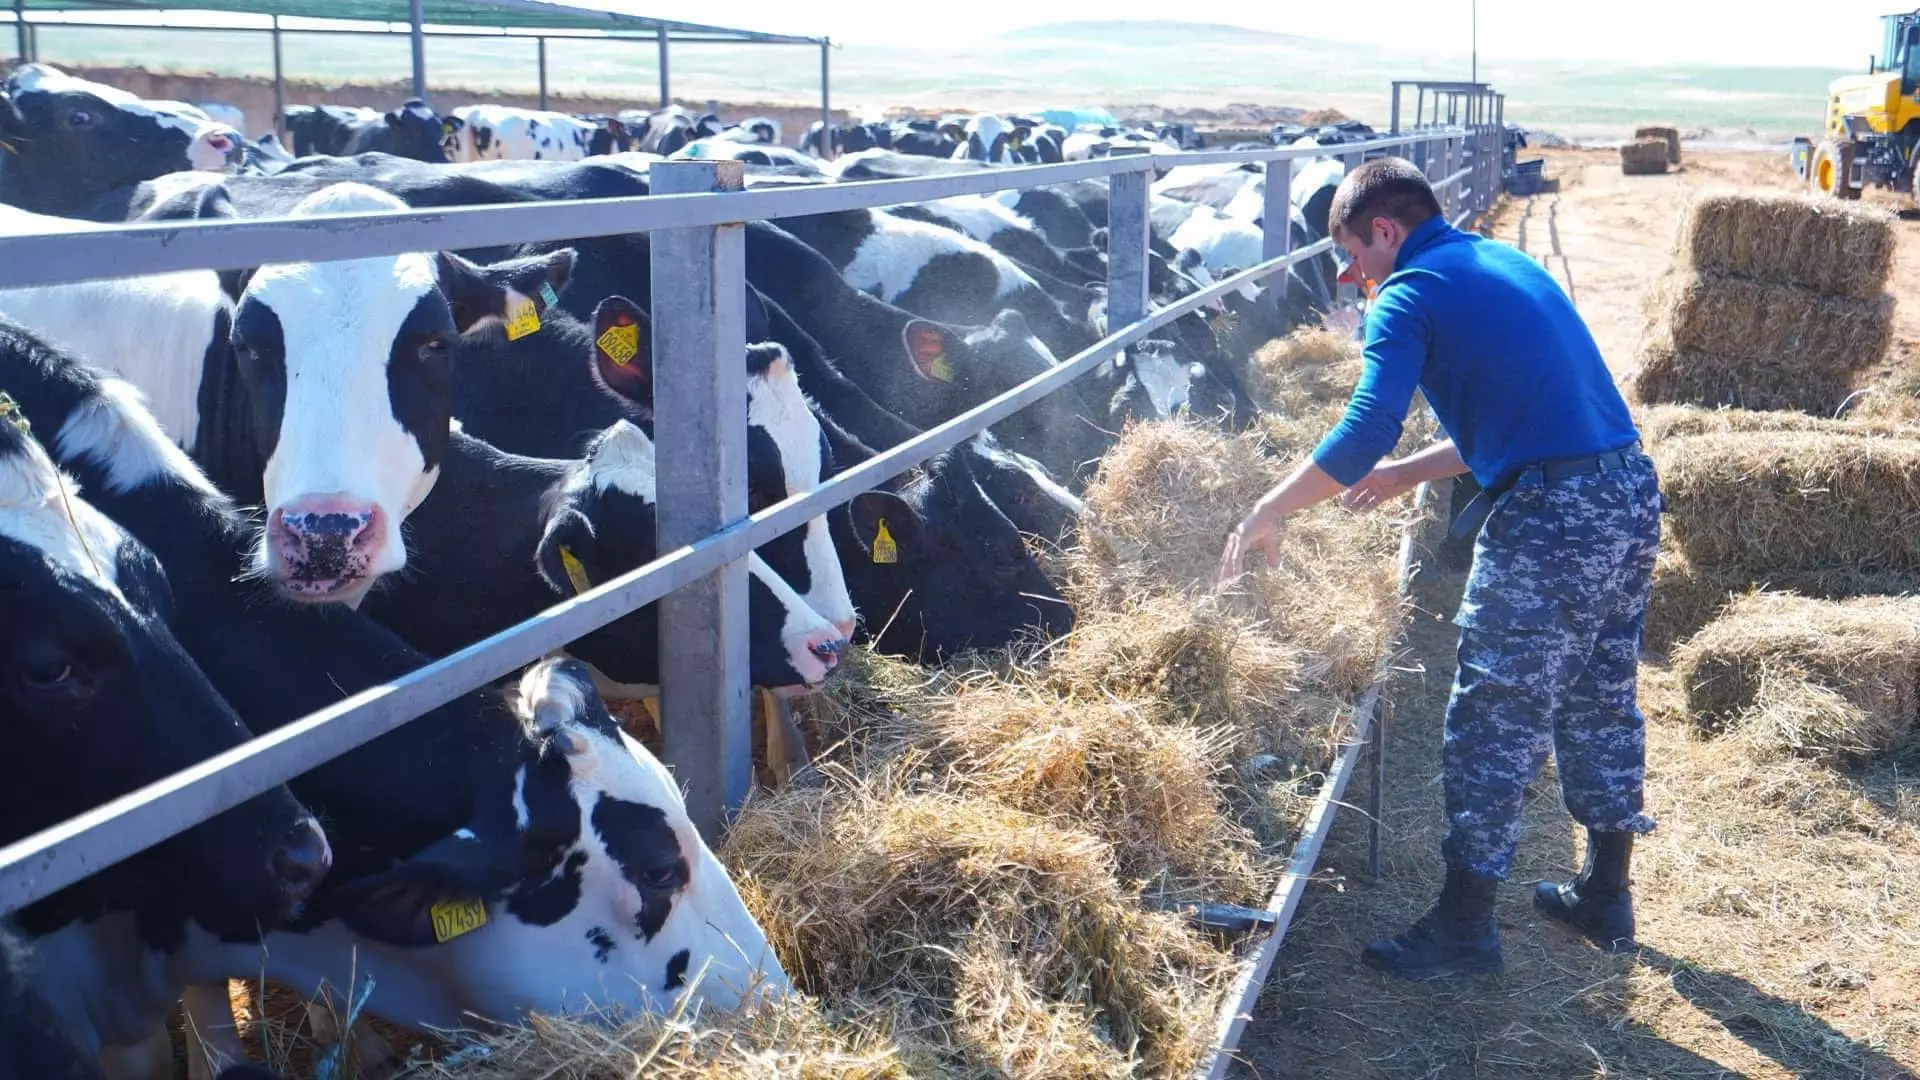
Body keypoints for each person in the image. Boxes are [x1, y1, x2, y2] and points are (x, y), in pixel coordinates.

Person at [1215, 157, 1663, 980]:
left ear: (1385, 230)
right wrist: (1404, 476)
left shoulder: (1410, 293)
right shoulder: (1500, 263)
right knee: (1600, 695)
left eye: (1350, 254)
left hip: (1551, 521)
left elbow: (1361, 430)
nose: (1350, 278)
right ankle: (1607, 891)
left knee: (1494, 713)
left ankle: (1462, 931)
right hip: (1623, 493)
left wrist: (1267, 509)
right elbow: (1525, 422)